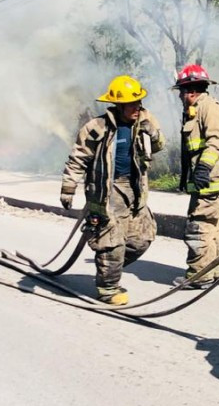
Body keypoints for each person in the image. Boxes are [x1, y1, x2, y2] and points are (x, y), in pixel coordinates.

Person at [60, 75, 165, 305]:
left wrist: (153, 132)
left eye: (139, 102)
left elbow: (158, 146)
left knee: (142, 238)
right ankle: (108, 287)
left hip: (135, 189)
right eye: (132, 103)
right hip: (107, 190)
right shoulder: (97, 128)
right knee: (111, 240)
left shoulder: (144, 122)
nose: (138, 107)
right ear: (118, 105)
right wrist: (68, 188)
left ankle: (108, 265)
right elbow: (77, 158)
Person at [172, 64, 219, 289]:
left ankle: (198, 276)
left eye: (182, 91)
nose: (181, 96)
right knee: (218, 228)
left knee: (200, 227)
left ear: (191, 91)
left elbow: (216, 140)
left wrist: (202, 169)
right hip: (218, 180)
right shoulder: (199, 109)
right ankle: (217, 272)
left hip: (211, 182)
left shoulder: (208, 108)